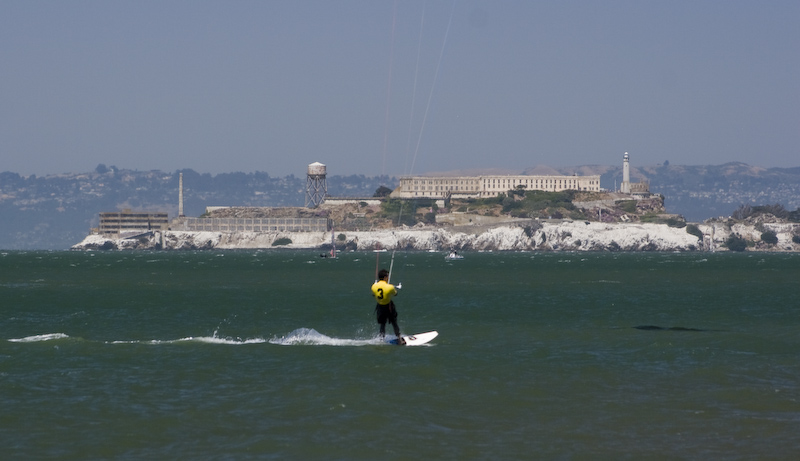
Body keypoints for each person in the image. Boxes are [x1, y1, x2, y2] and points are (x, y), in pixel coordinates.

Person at [370, 269, 404, 344]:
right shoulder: (390, 287)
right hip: (389, 307)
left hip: (380, 307)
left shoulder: (373, 286)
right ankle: (399, 338)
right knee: (394, 322)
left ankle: (381, 339)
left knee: (382, 324)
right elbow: (395, 294)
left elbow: (373, 294)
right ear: (385, 277)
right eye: (387, 276)